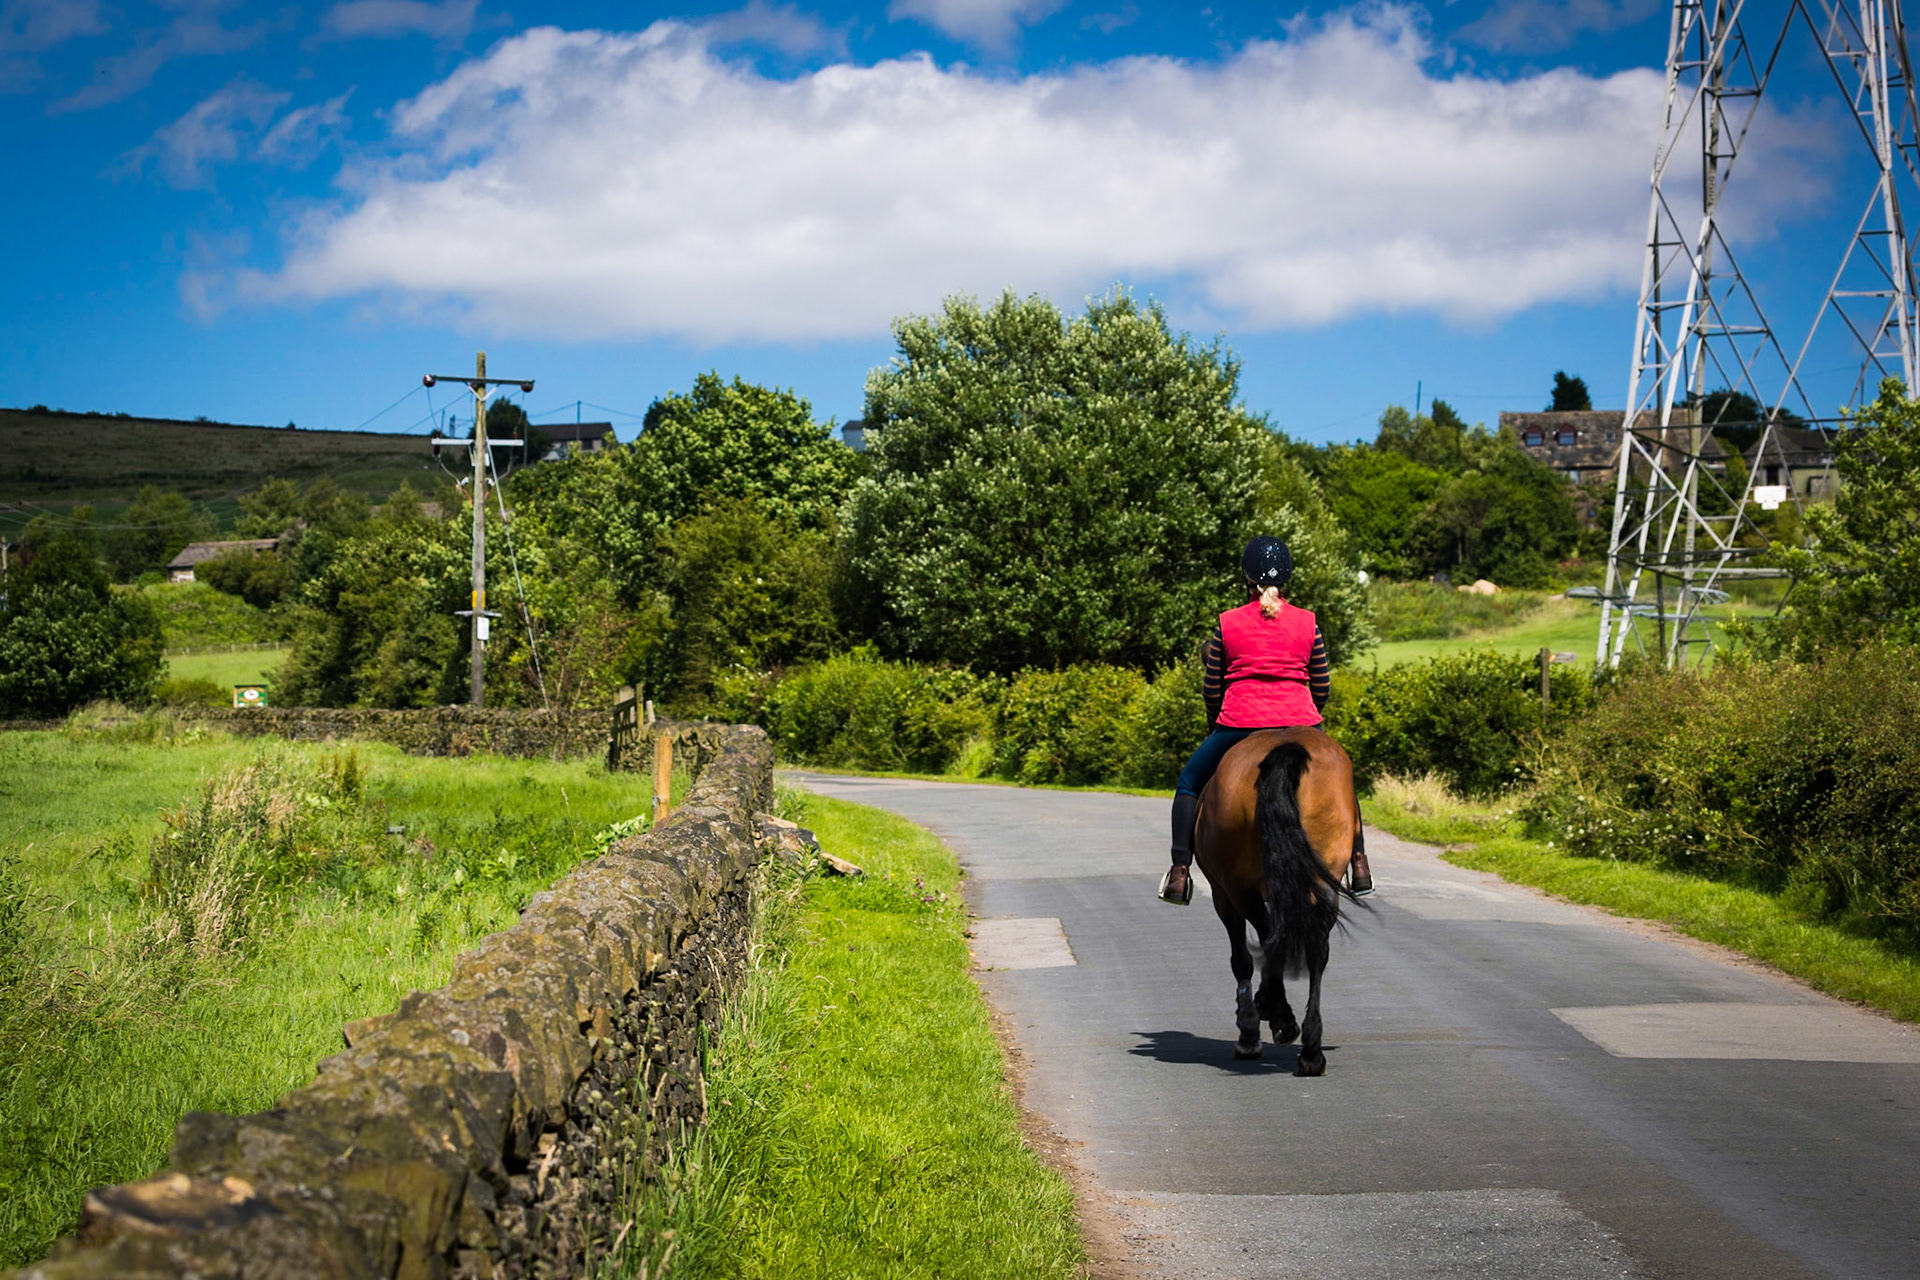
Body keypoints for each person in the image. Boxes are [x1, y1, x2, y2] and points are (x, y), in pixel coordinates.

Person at [1157, 536, 1374, 904]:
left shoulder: (1227, 624)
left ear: (1246, 577)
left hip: (1240, 721)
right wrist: (1308, 715)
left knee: (1189, 783)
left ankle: (1180, 873)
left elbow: (1212, 689)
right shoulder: (1309, 624)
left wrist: (1218, 721)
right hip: (1301, 719)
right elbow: (1322, 686)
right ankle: (1359, 861)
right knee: (1342, 777)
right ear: (1286, 578)